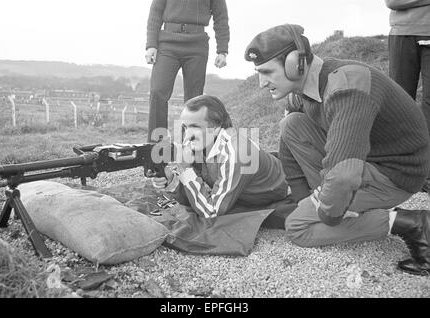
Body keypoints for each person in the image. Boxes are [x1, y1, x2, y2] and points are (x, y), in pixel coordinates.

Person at [244, 24, 430, 276]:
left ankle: (411, 223)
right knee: (292, 124)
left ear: (295, 64)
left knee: (298, 227)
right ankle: (328, 199)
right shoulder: (304, 88)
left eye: (266, 72)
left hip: (395, 173)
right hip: (366, 158)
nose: (261, 83)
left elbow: (343, 175)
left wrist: (329, 214)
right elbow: (289, 141)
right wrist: (302, 199)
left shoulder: (346, 88)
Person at [151, 94, 290, 221]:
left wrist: (186, 169)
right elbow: (194, 194)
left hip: (278, 189)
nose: (187, 136)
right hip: (242, 191)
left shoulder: (236, 154)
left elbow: (211, 212)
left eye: (195, 127)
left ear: (217, 126)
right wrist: (172, 181)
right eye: (185, 127)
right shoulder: (198, 142)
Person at [145, 0, 230, 142]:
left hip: (197, 45)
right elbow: (155, 13)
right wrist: (151, 45)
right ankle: (156, 148)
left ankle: (190, 147)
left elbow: (221, 17)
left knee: (194, 99)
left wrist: (222, 50)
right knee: (157, 91)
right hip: (167, 43)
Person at [385, 0, 430, 192]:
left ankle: (425, 172)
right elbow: (393, 1)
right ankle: (397, 168)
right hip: (402, 33)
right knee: (398, 102)